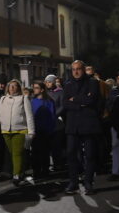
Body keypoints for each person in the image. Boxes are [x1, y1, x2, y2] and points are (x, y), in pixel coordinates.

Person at [63, 60, 103, 195]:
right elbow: (65, 103)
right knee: (70, 153)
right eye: (73, 69)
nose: (75, 71)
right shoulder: (68, 84)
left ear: (83, 69)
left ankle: (88, 182)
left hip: (88, 124)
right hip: (73, 125)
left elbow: (92, 100)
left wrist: (74, 100)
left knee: (90, 155)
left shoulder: (92, 83)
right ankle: (73, 182)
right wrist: (81, 103)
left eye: (78, 69)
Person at [0, 79, 35, 185]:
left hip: (20, 130)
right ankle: (22, 171)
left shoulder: (23, 98)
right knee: (13, 152)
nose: (12, 88)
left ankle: (16, 175)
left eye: (15, 86)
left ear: (18, 88)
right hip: (6, 131)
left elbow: (29, 116)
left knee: (17, 153)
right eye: (10, 86)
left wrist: (31, 132)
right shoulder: (3, 99)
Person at [30, 81, 57, 179]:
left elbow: (52, 117)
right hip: (35, 131)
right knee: (35, 153)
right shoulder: (32, 101)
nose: (34, 90)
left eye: (36, 88)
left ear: (42, 89)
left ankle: (45, 170)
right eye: (34, 88)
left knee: (45, 152)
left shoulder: (49, 102)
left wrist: (50, 130)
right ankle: (36, 171)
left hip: (46, 131)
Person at [45, 74, 66, 170]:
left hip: (58, 122)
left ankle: (59, 163)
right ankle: (52, 163)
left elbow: (62, 106)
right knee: (49, 145)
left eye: (49, 82)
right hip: (47, 122)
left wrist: (54, 115)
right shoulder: (45, 93)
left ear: (53, 82)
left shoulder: (60, 92)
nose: (48, 84)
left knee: (57, 145)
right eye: (46, 82)